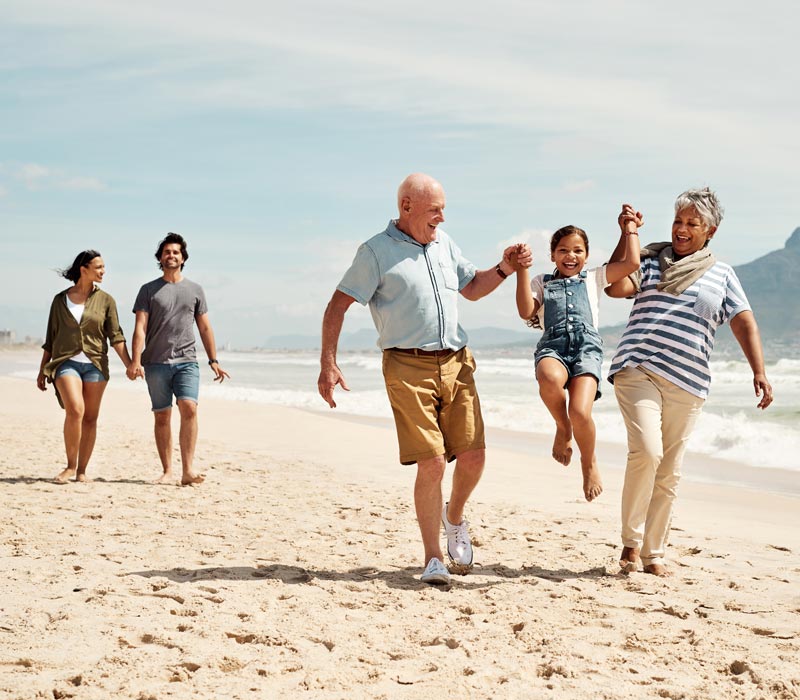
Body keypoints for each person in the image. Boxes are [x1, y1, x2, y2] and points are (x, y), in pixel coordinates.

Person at [317, 172, 531, 586]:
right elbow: (337, 304)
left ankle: (454, 518)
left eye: (444, 210)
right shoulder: (375, 252)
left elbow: (472, 288)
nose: (442, 219)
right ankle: (433, 557)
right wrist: (329, 362)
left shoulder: (444, 244)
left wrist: (504, 268)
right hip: (407, 367)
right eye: (435, 210)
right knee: (431, 461)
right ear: (407, 207)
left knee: (474, 456)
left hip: (457, 362)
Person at [605, 189, 773, 576]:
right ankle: (630, 542)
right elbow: (615, 286)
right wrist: (627, 233)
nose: (681, 229)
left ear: (709, 230)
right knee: (647, 452)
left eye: (691, 223)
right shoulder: (648, 261)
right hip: (639, 368)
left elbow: (743, 321)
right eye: (678, 221)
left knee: (669, 470)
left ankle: (653, 553)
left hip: (689, 380)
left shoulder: (723, 274)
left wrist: (758, 370)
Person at [512, 215, 641, 502]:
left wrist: (629, 229)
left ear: (587, 254)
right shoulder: (541, 282)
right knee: (548, 378)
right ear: (553, 255)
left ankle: (589, 462)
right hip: (553, 346)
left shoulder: (595, 277)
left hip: (586, 348)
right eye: (563, 251)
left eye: (577, 250)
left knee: (581, 412)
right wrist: (522, 269)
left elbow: (631, 264)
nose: (570, 256)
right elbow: (525, 310)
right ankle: (562, 427)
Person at [127, 233, 230, 486]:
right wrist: (135, 361)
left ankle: (188, 470)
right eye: (166, 252)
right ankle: (167, 471)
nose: (171, 255)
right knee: (162, 416)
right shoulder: (148, 290)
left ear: (183, 258)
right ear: (160, 258)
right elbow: (140, 327)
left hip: (187, 360)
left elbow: (205, 328)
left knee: (189, 408)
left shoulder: (195, 290)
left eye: (175, 252)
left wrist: (213, 360)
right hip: (155, 363)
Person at [37, 250, 133, 483]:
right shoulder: (60, 300)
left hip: (95, 365)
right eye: (98, 267)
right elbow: (51, 336)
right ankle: (70, 466)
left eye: (103, 267)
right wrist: (43, 369)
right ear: (84, 269)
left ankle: (82, 471)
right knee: (76, 410)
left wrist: (130, 365)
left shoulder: (106, 300)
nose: (103, 271)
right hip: (65, 362)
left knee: (90, 418)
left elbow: (116, 336)